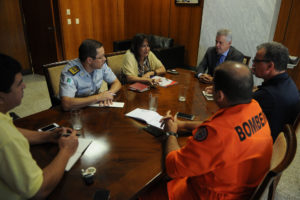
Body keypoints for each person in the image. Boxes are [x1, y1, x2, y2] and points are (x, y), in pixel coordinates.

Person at [142, 61, 273, 199]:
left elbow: (173, 168)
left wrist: (171, 132)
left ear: (219, 95)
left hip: (209, 194)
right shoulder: (254, 107)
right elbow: (219, 125)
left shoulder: (217, 133)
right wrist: (183, 124)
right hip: (241, 187)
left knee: (145, 189)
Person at [0, 54, 78, 199]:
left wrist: (46, 136)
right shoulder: (6, 139)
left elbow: (13, 130)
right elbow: (39, 190)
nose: (25, 86)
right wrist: (66, 151)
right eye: (19, 84)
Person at [252, 42, 300, 142]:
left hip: (264, 147)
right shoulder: (289, 83)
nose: (253, 64)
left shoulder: (267, 95)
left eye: (256, 61)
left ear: (270, 66)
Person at [59, 39, 121, 111]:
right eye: (100, 57)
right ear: (89, 60)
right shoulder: (70, 73)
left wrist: (108, 94)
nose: (104, 59)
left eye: (104, 55)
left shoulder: (101, 64)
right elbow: (66, 104)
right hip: (76, 112)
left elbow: (116, 82)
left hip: (93, 107)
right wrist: (98, 97)